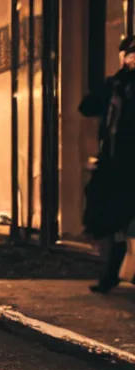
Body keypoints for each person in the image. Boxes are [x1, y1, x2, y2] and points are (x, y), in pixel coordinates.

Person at [80, 36, 135, 293]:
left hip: (127, 163)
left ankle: (117, 273)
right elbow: (87, 106)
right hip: (116, 164)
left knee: (125, 221)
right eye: (129, 54)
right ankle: (111, 274)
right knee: (111, 221)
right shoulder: (117, 85)